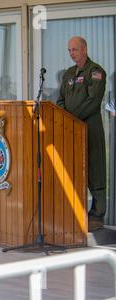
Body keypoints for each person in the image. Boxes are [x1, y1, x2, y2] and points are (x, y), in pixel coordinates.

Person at [57, 36, 107, 232]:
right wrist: (64, 118)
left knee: (95, 168)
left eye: (75, 50)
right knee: (74, 169)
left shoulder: (95, 72)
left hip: (90, 127)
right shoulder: (69, 73)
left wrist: (73, 119)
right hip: (71, 129)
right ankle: (75, 209)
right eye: (69, 50)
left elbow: (93, 102)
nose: (71, 53)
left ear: (84, 49)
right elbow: (61, 98)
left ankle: (97, 214)